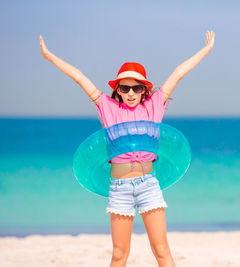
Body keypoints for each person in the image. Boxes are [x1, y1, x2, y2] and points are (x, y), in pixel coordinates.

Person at [39, 30, 215, 267]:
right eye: (124, 88)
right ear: (117, 90)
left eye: (136, 88)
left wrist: (205, 50)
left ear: (144, 89)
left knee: (161, 250)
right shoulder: (107, 107)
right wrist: (49, 57)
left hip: (148, 185)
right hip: (119, 188)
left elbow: (178, 73)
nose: (130, 93)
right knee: (120, 254)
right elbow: (80, 78)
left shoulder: (155, 105)